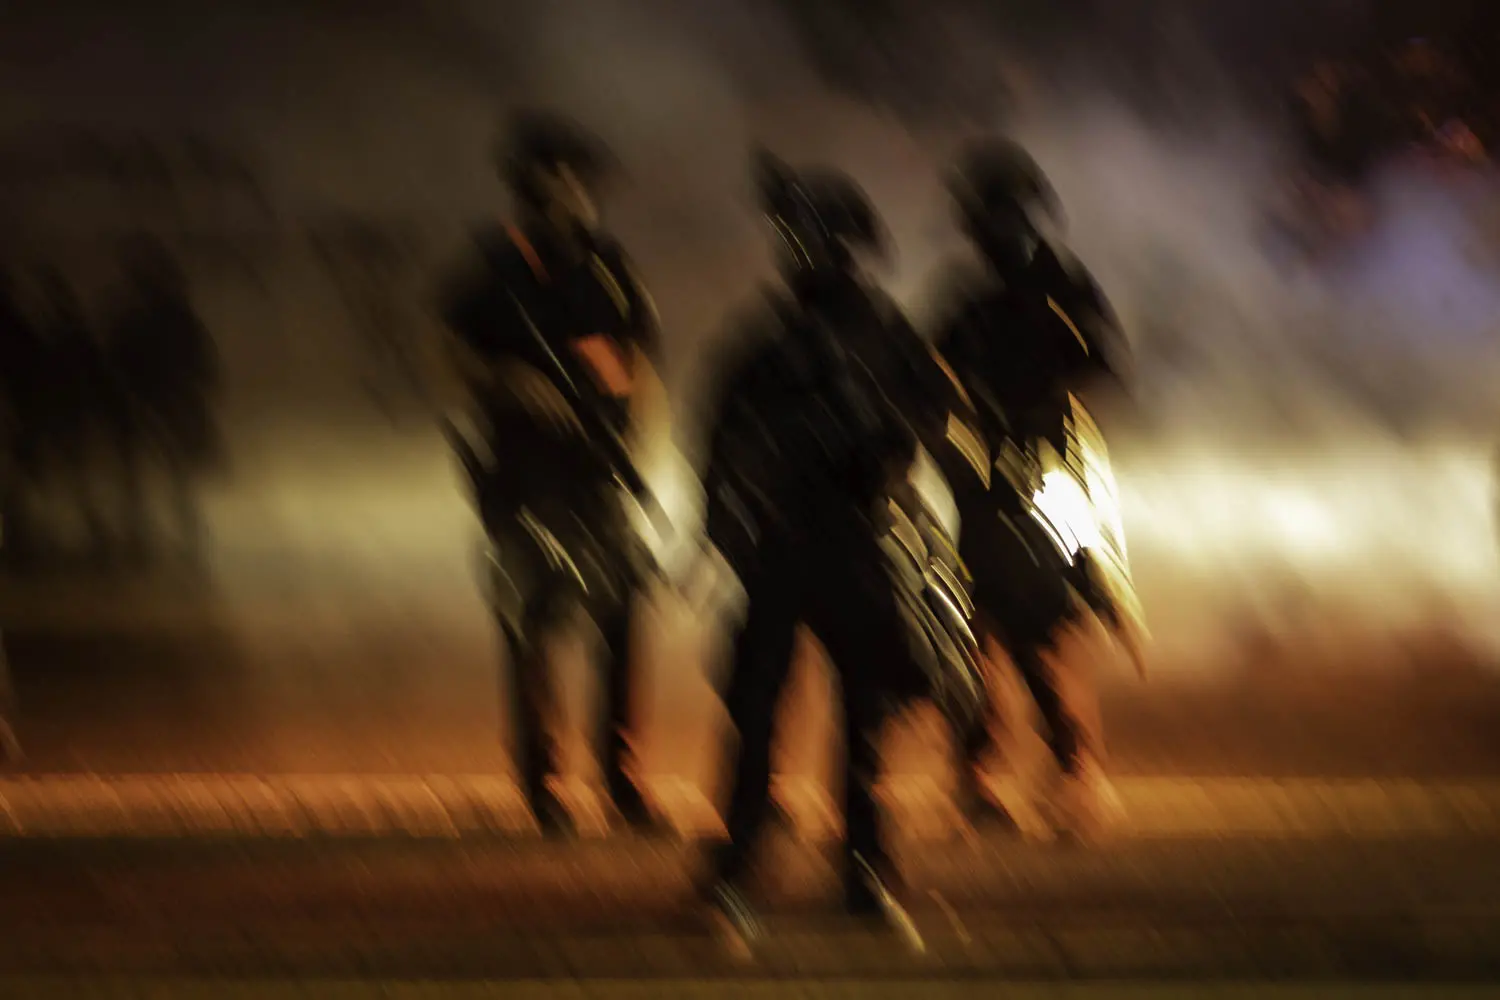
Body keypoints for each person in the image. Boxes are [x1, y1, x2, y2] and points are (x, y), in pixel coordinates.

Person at [694, 151, 966, 954]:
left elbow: (929, 415)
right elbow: (720, 438)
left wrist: (887, 454)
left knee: (864, 714)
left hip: (855, 541)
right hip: (782, 547)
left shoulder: (884, 335)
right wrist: (729, 521)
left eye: (807, 235)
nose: (796, 250)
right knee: (757, 710)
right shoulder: (770, 341)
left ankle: (866, 862)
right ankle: (742, 859)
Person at [438, 110, 664, 837]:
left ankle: (620, 778)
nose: (583, 194)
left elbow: (645, 362)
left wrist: (645, 453)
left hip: (599, 475)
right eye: (570, 179)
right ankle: (544, 784)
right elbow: (450, 353)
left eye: (583, 180)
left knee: (623, 617)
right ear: (538, 185)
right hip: (521, 478)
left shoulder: (610, 264)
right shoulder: (493, 267)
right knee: (531, 627)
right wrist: (507, 380)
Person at [930, 137, 1141, 843]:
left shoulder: (1065, 288)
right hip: (984, 484)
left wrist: (1040, 399)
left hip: (1051, 479)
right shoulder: (972, 299)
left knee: (1048, 628)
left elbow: (1105, 365)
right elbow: (927, 372)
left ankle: (1077, 771)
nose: (984, 231)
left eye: (991, 215)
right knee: (980, 626)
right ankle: (983, 773)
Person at [102, 236, 223, 567]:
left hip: (160, 399)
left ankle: (170, 528)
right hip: (151, 398)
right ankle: (155, 527)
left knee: (167, 471)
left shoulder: (164, 316)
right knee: (157, 471)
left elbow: (201, 360)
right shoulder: (149, 316)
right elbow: (117, 358)